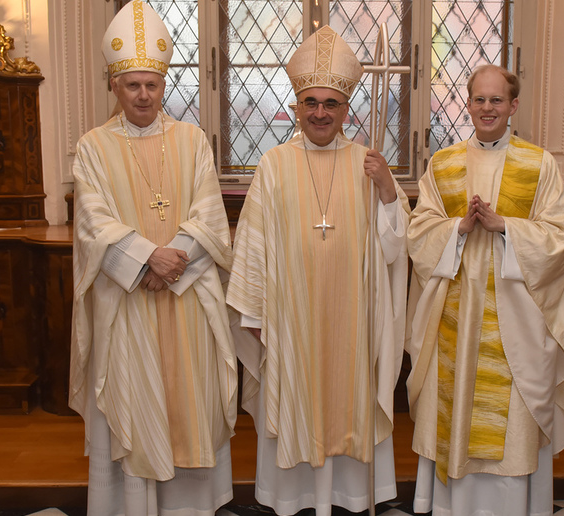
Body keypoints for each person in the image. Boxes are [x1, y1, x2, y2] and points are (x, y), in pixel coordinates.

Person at [226, 25, 410, 516]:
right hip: (292, 320)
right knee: (296, 393)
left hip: (354, 319)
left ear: (347, 110)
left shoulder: (368, 163)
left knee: (350, 396)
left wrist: (387, 190)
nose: (321, 112)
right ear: (296, 107)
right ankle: (293, 499)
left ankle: (351, 496)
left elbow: (395, 248)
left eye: (331, 103)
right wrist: (256, 314)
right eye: (311, 102)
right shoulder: (274, 164)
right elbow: (252, 244)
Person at [69, 2, 238, 515]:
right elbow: (92, 221)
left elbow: (209, 212)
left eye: (152, 84)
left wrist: (170, 264)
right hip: (128, 302)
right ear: (114, 86)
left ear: (164, 83)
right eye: (132, 85)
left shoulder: (191, 140)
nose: (143, 95)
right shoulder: (93, 147)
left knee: (189, 404)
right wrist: (146, 260)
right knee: (134, 402)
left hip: (185, 298)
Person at [405, 64, 564, 515]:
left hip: (516, 325)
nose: (487, 108)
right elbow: (419, 231)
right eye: (479, 99)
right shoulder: (442, 164)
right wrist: (459, 228)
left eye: (497, 100)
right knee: (455, 408)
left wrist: (505, 225)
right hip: (455, 321)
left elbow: (560, 234)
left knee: (512, 419)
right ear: (468, 104)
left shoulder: (538, 164)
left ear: (513, 105)